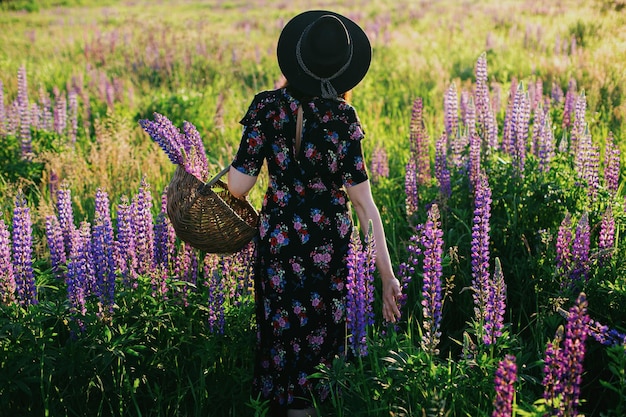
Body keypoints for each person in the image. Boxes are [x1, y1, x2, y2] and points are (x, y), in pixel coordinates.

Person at [227, 10, 402, 417]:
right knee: (317, 346)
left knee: (281, 335)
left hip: (279, 242)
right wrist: (387, 275)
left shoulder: (266, 107)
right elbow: (365, 206)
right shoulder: (343, 118)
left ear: (296, 57)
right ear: (341, 70)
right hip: (329, 247)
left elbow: (238, 187)